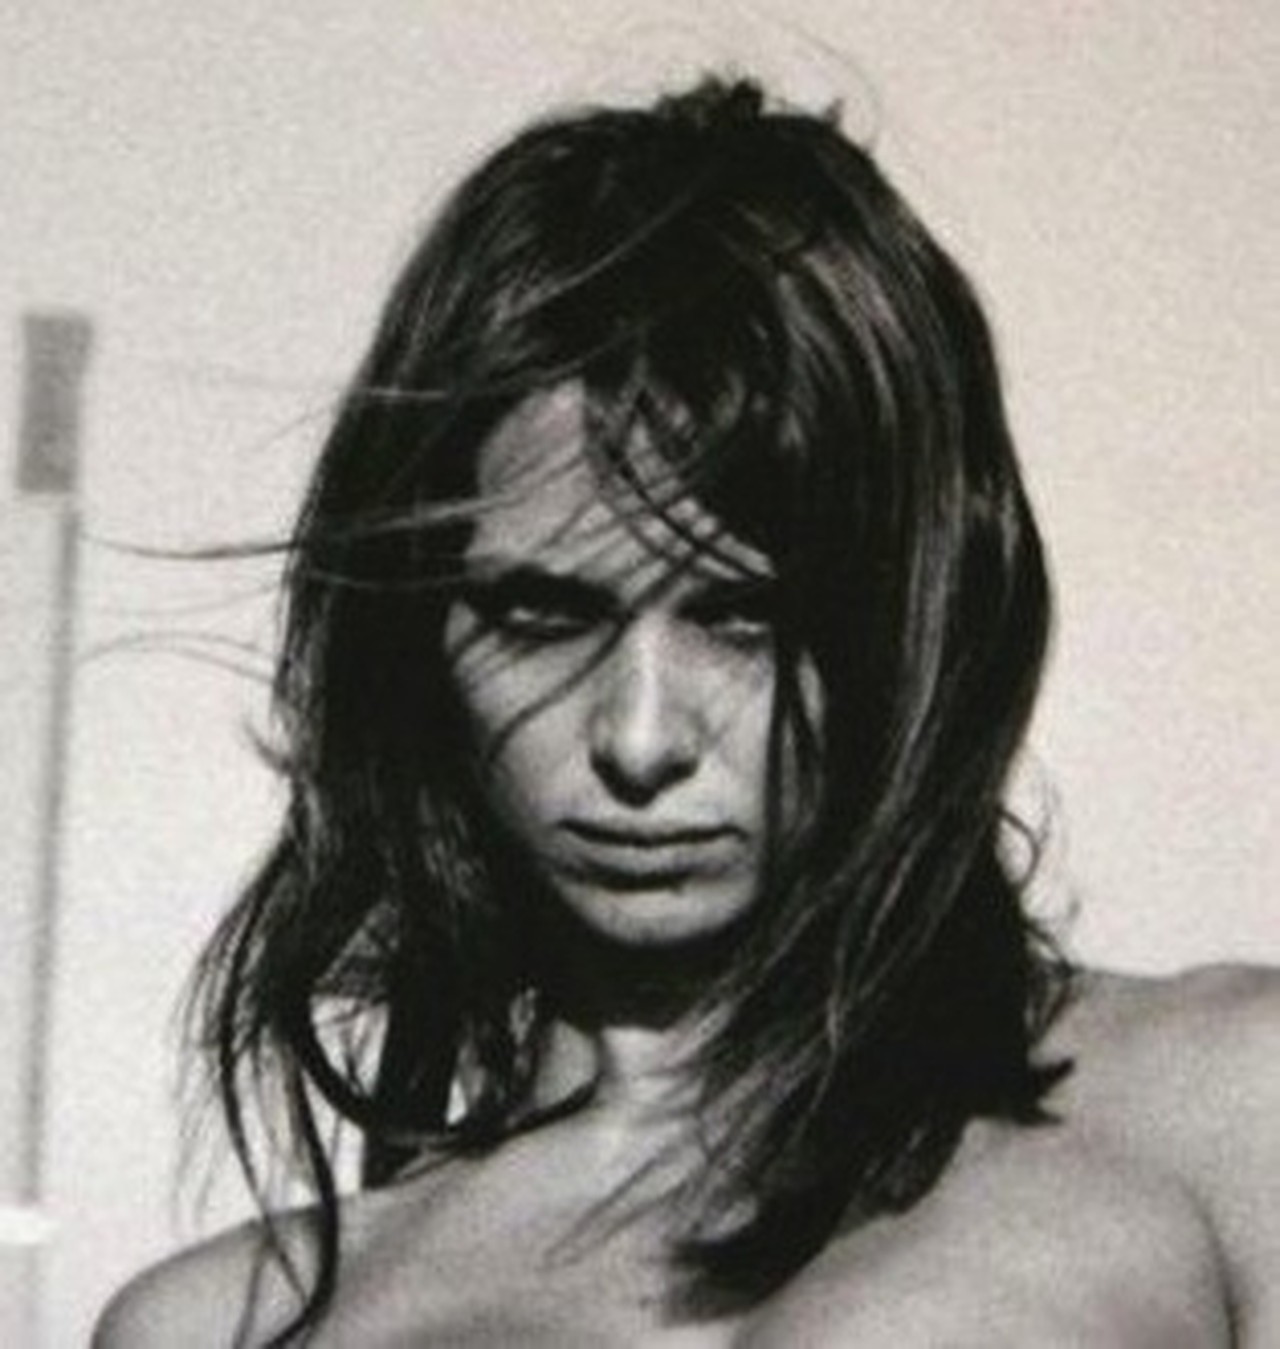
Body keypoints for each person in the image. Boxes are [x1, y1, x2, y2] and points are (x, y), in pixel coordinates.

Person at [96, 76, 1278, 1347]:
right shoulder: (225, 1325)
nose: (639, 740)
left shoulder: (1223, 1106)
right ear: (413, 637)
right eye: (540, 616)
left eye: (745, 617)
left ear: (917, 620)